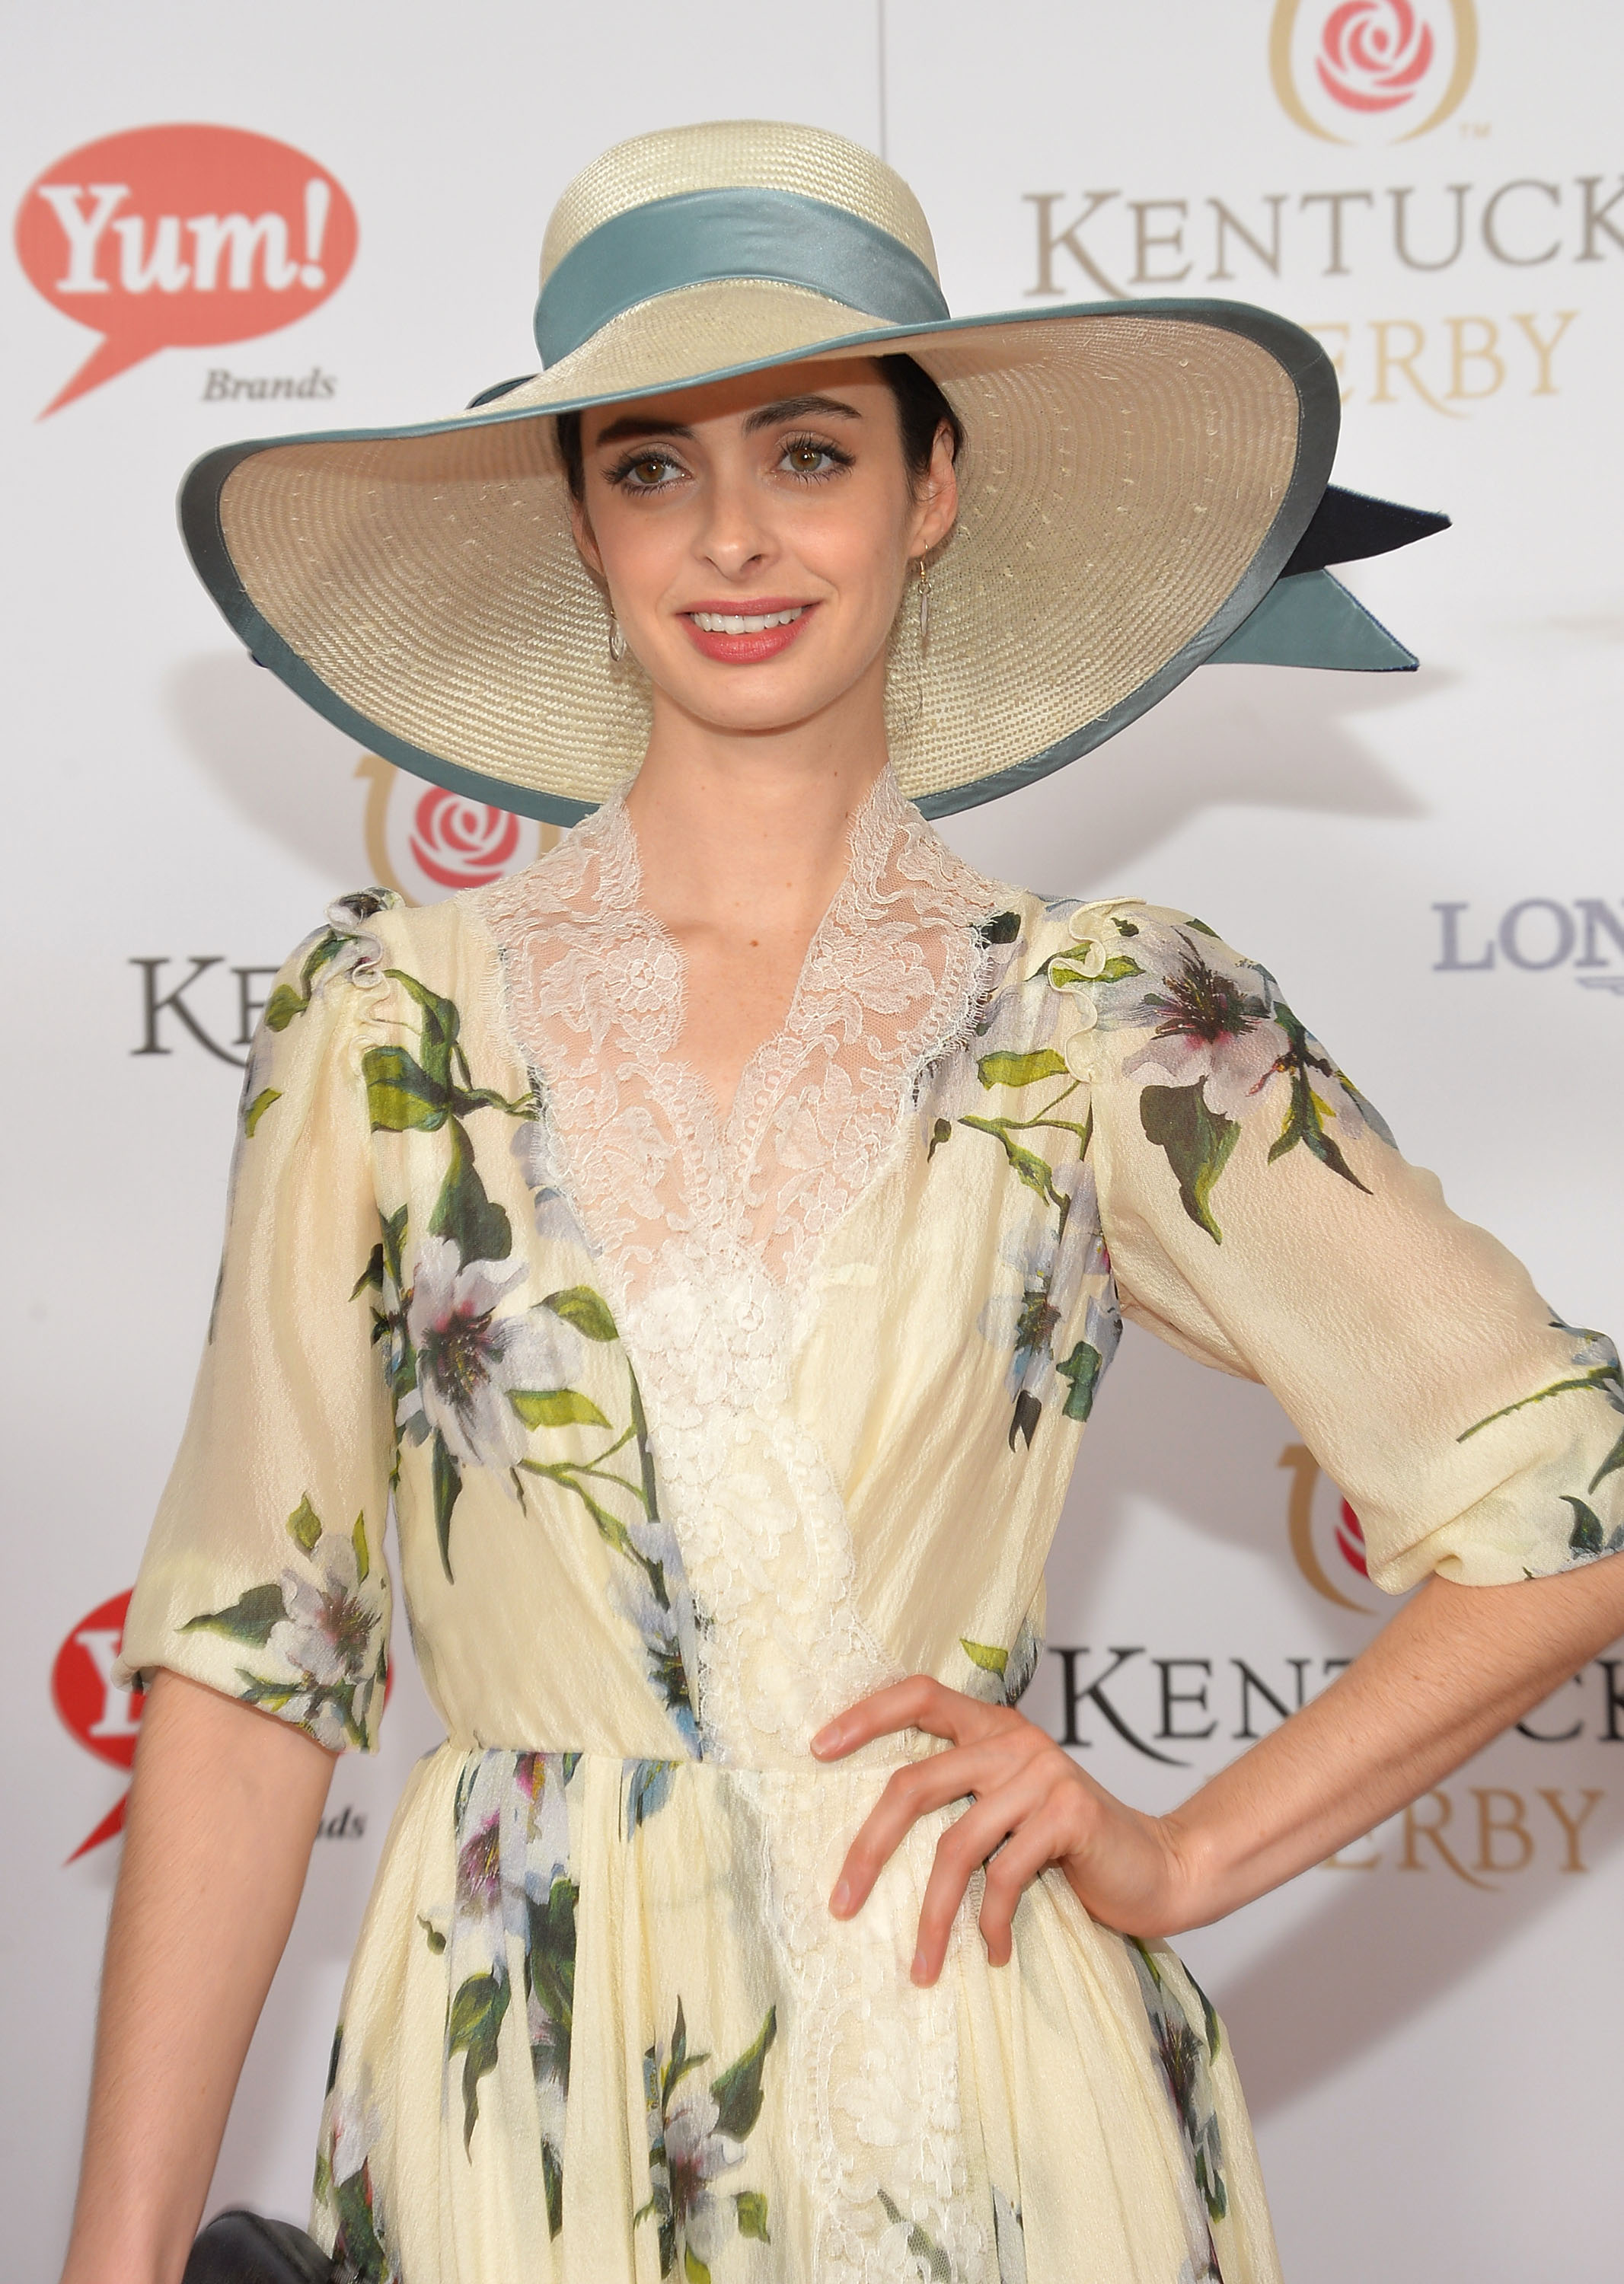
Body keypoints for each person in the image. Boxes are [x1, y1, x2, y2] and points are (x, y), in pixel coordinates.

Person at [63, 120, 1624, 2284]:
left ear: (932, 489)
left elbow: (1568, 1497)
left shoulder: (1103, 1021)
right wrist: (113, 2260)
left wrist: (1179, 1855)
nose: (732, 534)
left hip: (983, 2090)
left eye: (808, 453)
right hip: (518, 2107)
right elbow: (252, 1668)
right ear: (582, 525)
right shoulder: (386, 1021)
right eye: (649, 465)